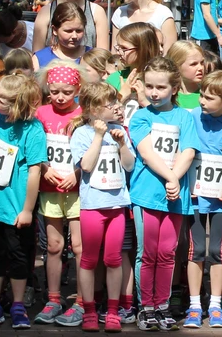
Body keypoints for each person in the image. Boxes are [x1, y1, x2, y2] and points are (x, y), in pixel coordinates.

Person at [127, 57, 199, 331]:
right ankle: (146, 307)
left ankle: (162, 305)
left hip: (175, 197)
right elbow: (146, 152)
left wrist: (175, 179)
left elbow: (188, 151)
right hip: (146, 194)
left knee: (168, 252)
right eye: (149, 87)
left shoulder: (184, 117)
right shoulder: (141, 117)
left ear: (174, 88)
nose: (154, 93)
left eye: (160, 87)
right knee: (148, 253)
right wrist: (170, 177)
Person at [0, 72, 48, 329]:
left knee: (19, 257)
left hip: (18, 208)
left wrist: (28, 209)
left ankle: (18, 303)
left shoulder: (33, 130)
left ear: (18, 104)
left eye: (2, 99)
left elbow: (35, 171)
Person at [69, 82, 136, 333]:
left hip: (116, 205)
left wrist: (121, 144)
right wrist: (99, 136)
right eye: (111, 105)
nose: (116, 108)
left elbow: (129, 166)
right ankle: (88, 310)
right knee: (88, 259)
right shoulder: (82, 134)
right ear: (93, 110)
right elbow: (85, 166)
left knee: (113, 258)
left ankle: (112, 310)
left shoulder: (120, 130)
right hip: (92, 207)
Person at [185, 72, 222, 329]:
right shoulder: (192, 117)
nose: (202, 101)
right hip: (195, 195)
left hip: (221, 197)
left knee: (218, 251)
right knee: (196, 250)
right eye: (201, 95)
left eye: (209, 98)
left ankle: (216, 304)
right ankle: (195, 305)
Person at [34, 66, 84, 327]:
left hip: (77, 190)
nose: (61, 97)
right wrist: (45, 168)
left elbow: (89, 148)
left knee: (78, 247)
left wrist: (77, 172)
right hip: (50, 187)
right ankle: (53, 298)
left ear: (77, 90)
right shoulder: (41, 113)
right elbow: (35, 146)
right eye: (55, 92)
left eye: (67, 92)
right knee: (53, 246)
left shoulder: (83, 114)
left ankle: (81, 300)